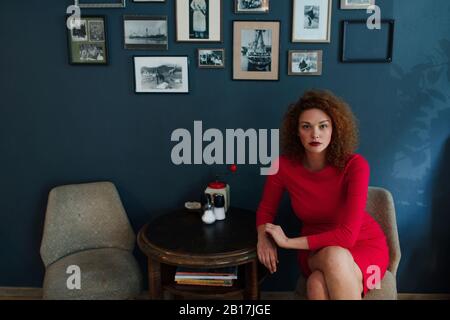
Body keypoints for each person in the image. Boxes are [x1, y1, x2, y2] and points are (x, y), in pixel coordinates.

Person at [256, 90, 389, 300]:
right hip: (315, 252)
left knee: (316, 284)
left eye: (323, 126)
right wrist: (263, 238)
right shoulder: (281, 166)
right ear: (296, 132)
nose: (315, 134)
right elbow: (266, 208)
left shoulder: (355, 165)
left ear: (334, 129)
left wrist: (287, 242)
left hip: (366, 248)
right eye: (306, 126)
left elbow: (346, 237)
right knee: (333, 258)